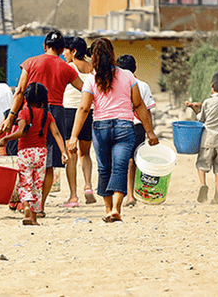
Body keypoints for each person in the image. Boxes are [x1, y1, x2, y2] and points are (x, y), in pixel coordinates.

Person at [68, 38, 159, 223]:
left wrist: (73, 137)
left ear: (93, 57)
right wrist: (150, 132)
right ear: (113, 54)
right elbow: (139, 105)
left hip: (101, 127)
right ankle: (116, 209)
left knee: (104, 169)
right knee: (120, 167)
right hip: (124, 127)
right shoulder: (127, 76)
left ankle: (108, 208)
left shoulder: (92, 80)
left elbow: (84, 109)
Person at [0, 30, 83, 217]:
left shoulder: (30, 62)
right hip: (55, 113)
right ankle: (40, 206)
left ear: (44, 46)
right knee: (48, 164)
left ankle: (24, 201)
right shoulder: (67, 68)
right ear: (62, 49)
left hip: (29, 112)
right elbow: (84, 90)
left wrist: (11, 117)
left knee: (24, 158)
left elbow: (20, 90)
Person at [0, 83, 69, 225]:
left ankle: (25, 208)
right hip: (41, 153)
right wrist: (63, 152)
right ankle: (35, 216)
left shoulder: (23, 113)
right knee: (37, 184)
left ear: (26, 98)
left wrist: (6, 138)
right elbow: (56, 134)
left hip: (25, 152)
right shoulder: (47, 115)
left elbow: (22, 131)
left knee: (25, 182)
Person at [185, 71, 218, 205]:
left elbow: (201, 118)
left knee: (202, 165)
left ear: (212, 86)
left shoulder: (207, 102)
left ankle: (203, 184)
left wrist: (195, 109)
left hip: (208, 140)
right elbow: (216, 106)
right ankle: (217, 196)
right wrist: (199, 105)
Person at [117, 54, 156, 208]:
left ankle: (125, 193)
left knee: (123, 160)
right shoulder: (143, 85)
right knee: (135, 161)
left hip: (121, 124)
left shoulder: (115, 85)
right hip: (138, 126)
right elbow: (147, 111)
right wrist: (150, 131)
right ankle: (133, 193)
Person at [62, 36, 95, 207]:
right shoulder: (92, 68)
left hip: (69, 112)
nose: (63, 54)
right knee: (85, 153)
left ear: (73, 51)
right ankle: (88, 186)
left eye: (66, 50)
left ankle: (73, 195)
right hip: (89, 113)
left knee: (71, 156)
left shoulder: (69, 67)